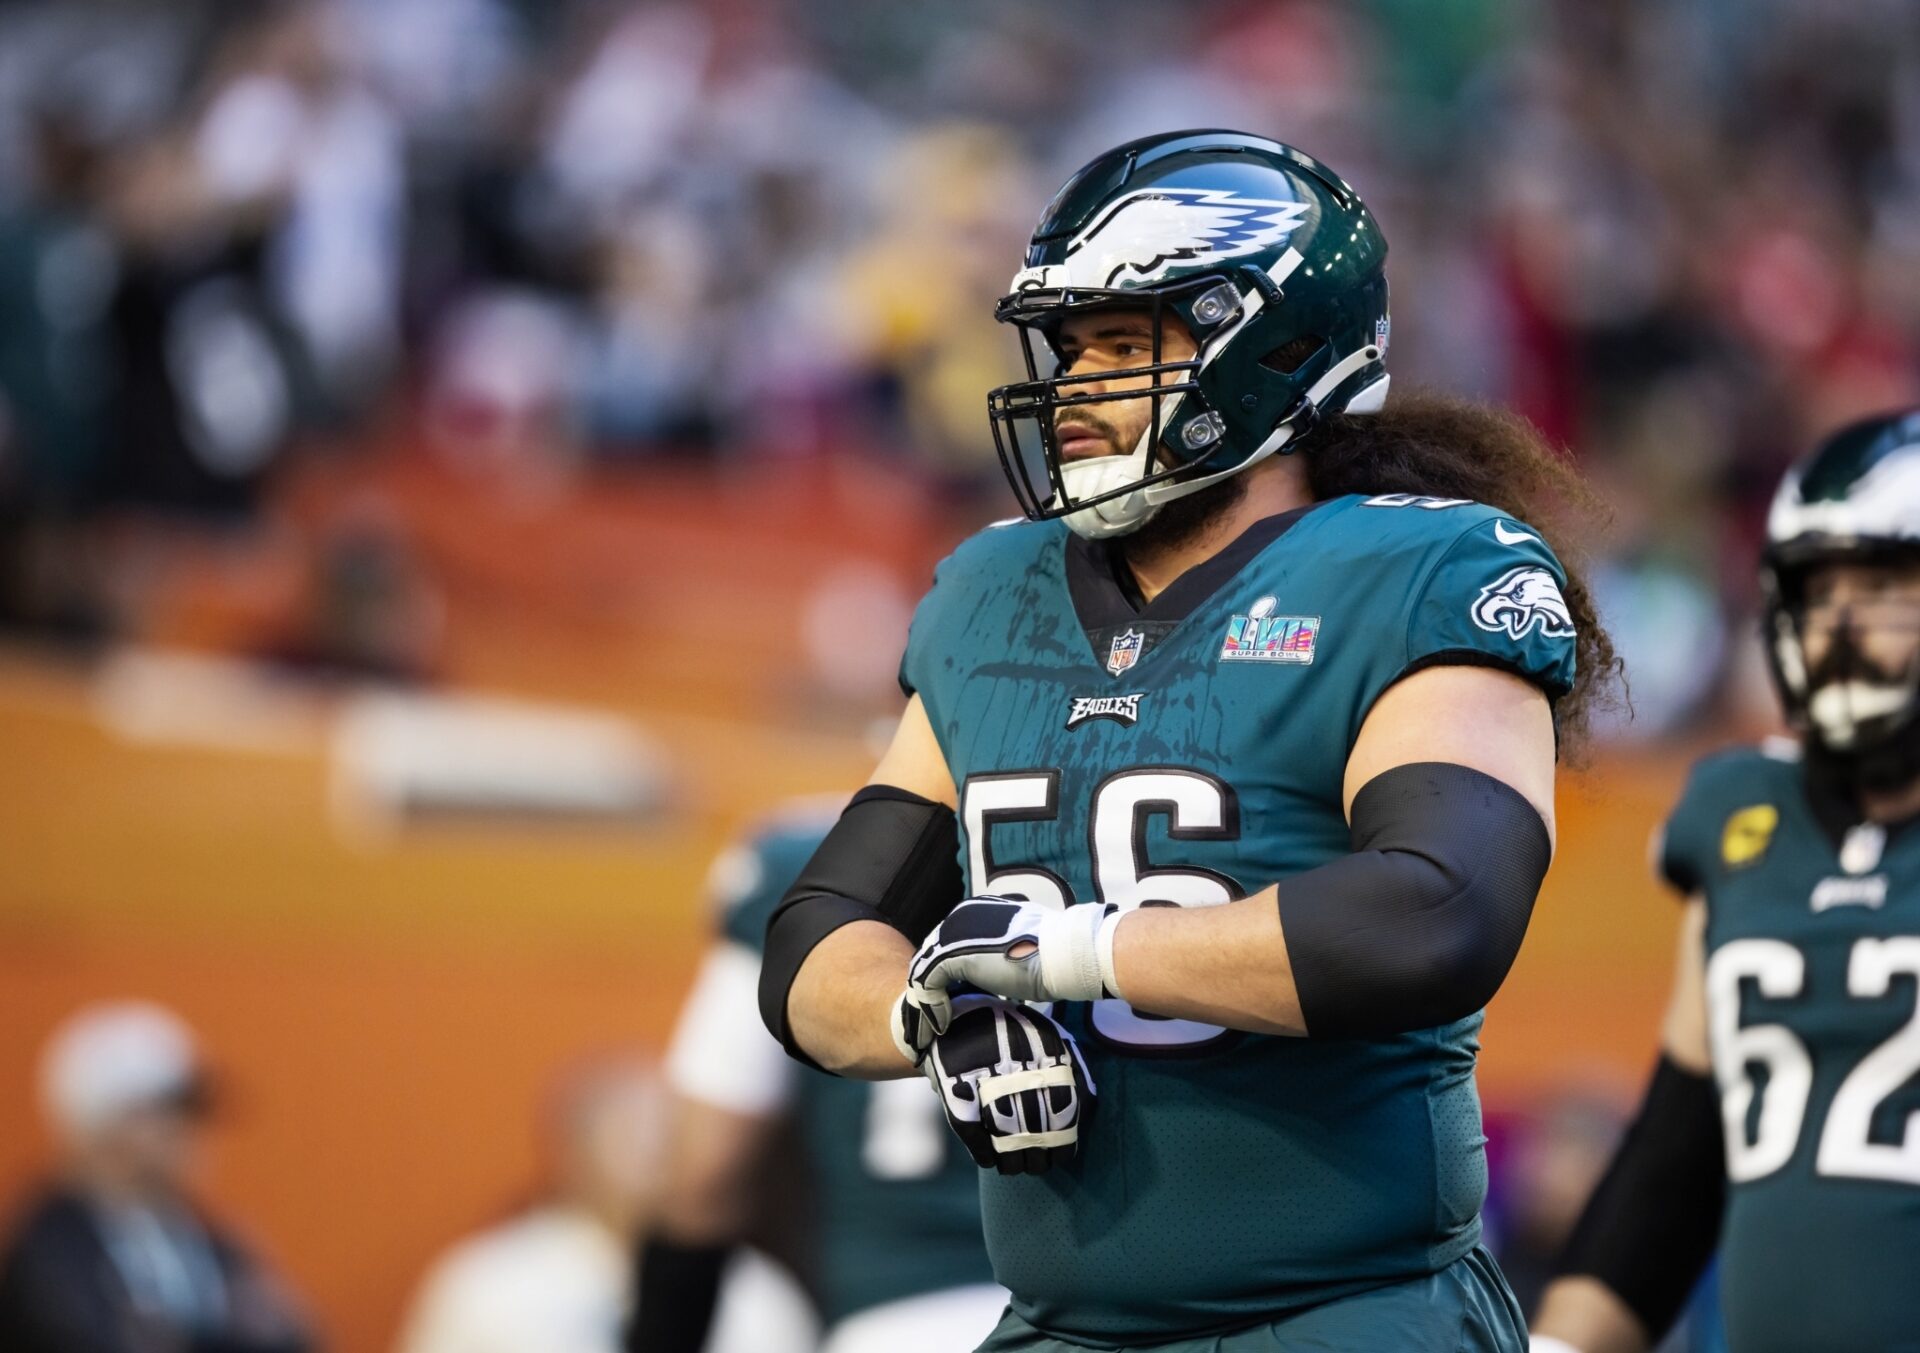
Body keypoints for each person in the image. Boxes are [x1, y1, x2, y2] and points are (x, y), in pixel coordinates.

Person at [754, 129, 1618, 1353]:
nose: (1073, 390)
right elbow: (814, 942)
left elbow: (1437, 913)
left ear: (1268, 351)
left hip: (1344, 1315)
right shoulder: (992, 591)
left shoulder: (1420, 569)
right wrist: (926, 1006)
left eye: (1122, 346)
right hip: (1060, 1325)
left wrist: (1072, 956)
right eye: (1069, 349)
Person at [1532, 410, 1920, 1353]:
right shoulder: (1747, 813)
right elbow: (1677, 1158)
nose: (1840, 630)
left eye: (1880, 589)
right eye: (1820, 594)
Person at [630, 798, 1004, 1353]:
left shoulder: (804, 863)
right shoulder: (1115, 858)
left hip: (896, 1320)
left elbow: (706, 1172)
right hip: (1102, 1315)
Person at [397, 1058, 809, 1353]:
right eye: (633, 1130)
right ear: (573, 1151)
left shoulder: (755, 1293)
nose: (658, 1152)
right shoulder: (487, 1284)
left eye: (673, 1132)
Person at [0, 1001, 316, 1353]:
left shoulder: (205, 1234)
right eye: (174, 1112)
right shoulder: (51, 1246)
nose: (193, 1131)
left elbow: (292, 1336)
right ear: (106, 1123)